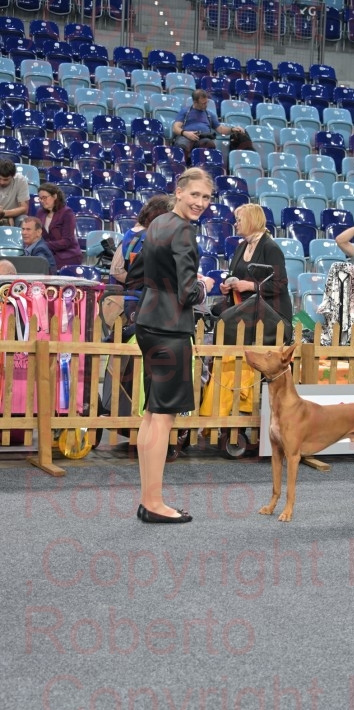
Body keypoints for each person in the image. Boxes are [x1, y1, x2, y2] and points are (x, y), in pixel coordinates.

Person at [134, 167, 215, 524]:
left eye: (206, 197)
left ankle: (147, 500)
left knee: (152, 414)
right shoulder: (183, 230)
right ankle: (154, 503)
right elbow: (187, 292)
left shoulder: (158, 222)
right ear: (179, 192)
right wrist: (204, 286)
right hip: (169, 328)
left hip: (148, 321)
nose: (200, 202)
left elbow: (139, 274)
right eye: (195, 194)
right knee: (162, 416)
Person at [219, 203, 293, 332]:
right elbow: (234, 275)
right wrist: (226, 285)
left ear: (251, 221)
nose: (235, 224)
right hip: (247, 310)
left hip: (269, 315)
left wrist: (251, 286)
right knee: (217, 312)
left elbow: (280, 284)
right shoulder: (241, 246)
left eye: (239, 220)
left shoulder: (271, 248)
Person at [109, 194, 172, 287]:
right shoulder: (159, 238)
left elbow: (116, 271)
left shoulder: (130, 233)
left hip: (133, 292)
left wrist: (134, 282)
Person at [171, 89, 245, 163]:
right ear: (195, 102)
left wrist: (232, 129)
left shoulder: (210, 114)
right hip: (186, 136)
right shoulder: (185, 111)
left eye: (206, 102)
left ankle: (203, 167)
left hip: (203, 137)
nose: (206, 105)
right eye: (203, 103)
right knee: (181, 147)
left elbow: (220, 129)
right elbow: (175, 128)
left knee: (209, 145)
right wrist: (186, 133)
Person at [35, 183, 83, 270]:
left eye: (44, 197)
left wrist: (44, 245)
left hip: (67, 254)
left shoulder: (67, 213)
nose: (42, 201)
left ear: (54, 196)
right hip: (48, 252)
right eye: (40, 198)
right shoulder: (40, 212)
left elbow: (67, 241)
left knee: (43, 264)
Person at [0, 159, 29, 226]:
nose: (2, 182)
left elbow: (24, 209)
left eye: (6, 179)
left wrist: (4, 214)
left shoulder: (21, 180)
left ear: (13, 176)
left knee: (24, 219)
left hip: (14, 215)